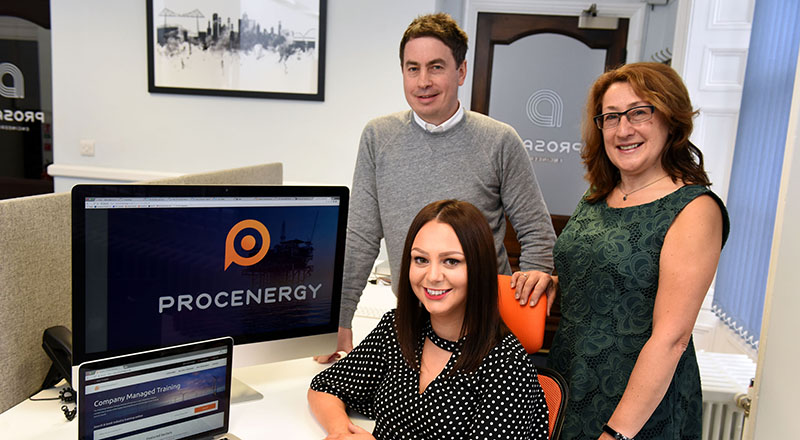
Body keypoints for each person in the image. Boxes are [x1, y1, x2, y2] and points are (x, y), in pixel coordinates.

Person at [316, 12, 556, 364]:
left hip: (484, 327)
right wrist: (340, 318)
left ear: (461, 71)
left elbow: (538, 233)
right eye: (413, 68)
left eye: (436, 67)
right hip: (413, 318)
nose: (423, 81)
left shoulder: (499, 140)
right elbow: (361, 236)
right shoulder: (378, 137)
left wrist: (526, 307)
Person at [519, 62, 730, 439]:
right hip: (572, 381)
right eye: (611, 117)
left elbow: (672, 338)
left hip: (640, 407)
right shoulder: (599, 194)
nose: (624, 129)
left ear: (670, 119)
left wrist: (617, 433)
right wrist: (553, 282)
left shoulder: (694, 209)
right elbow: (606, 280)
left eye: (639, 113)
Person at [308, 200, 550, 439]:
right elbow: (325, 387)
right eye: (421, 259)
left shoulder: (506, 364)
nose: (432, 276)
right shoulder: (398, 329)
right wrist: (341, 431)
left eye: (451, 261)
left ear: (479, 268)